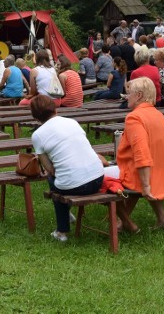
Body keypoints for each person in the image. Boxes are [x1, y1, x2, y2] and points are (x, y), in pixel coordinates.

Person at [105, 78, 164, 232]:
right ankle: (162, 219)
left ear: (138, 95)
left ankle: (124, 222)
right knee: (140, 176)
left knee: (101, 178)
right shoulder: (158, 115)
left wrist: (146, 185)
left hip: (142, 174)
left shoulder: (134, 117)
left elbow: (142, 154)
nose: (126, 97)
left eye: (129, 94)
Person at [29, 95, 106, 242]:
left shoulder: (37, 135)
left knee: (53, 180)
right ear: (54, 108)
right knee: (60, 179)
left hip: (74, 185)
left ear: (35, 117)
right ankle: (66, 216)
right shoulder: (72, 122)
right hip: (98, 177)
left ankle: (62, 230)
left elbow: (49, 169)